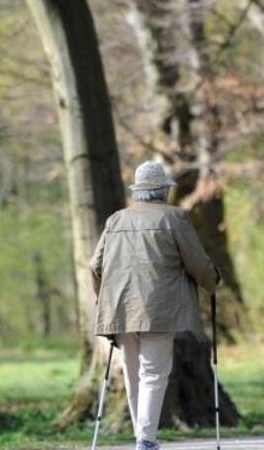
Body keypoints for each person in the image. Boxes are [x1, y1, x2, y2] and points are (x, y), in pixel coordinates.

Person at [90, 160, 220, 450]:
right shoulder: (174, 218)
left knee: (134, 372)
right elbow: (197, 263)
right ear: (163, 191)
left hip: (120, 308)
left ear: (139, 192)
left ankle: (142, 437)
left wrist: (104, 300)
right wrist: (212, 282)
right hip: (159, 309)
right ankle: (145, 441)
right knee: (153, 372)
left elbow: (95, 266)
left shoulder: (115, 220)